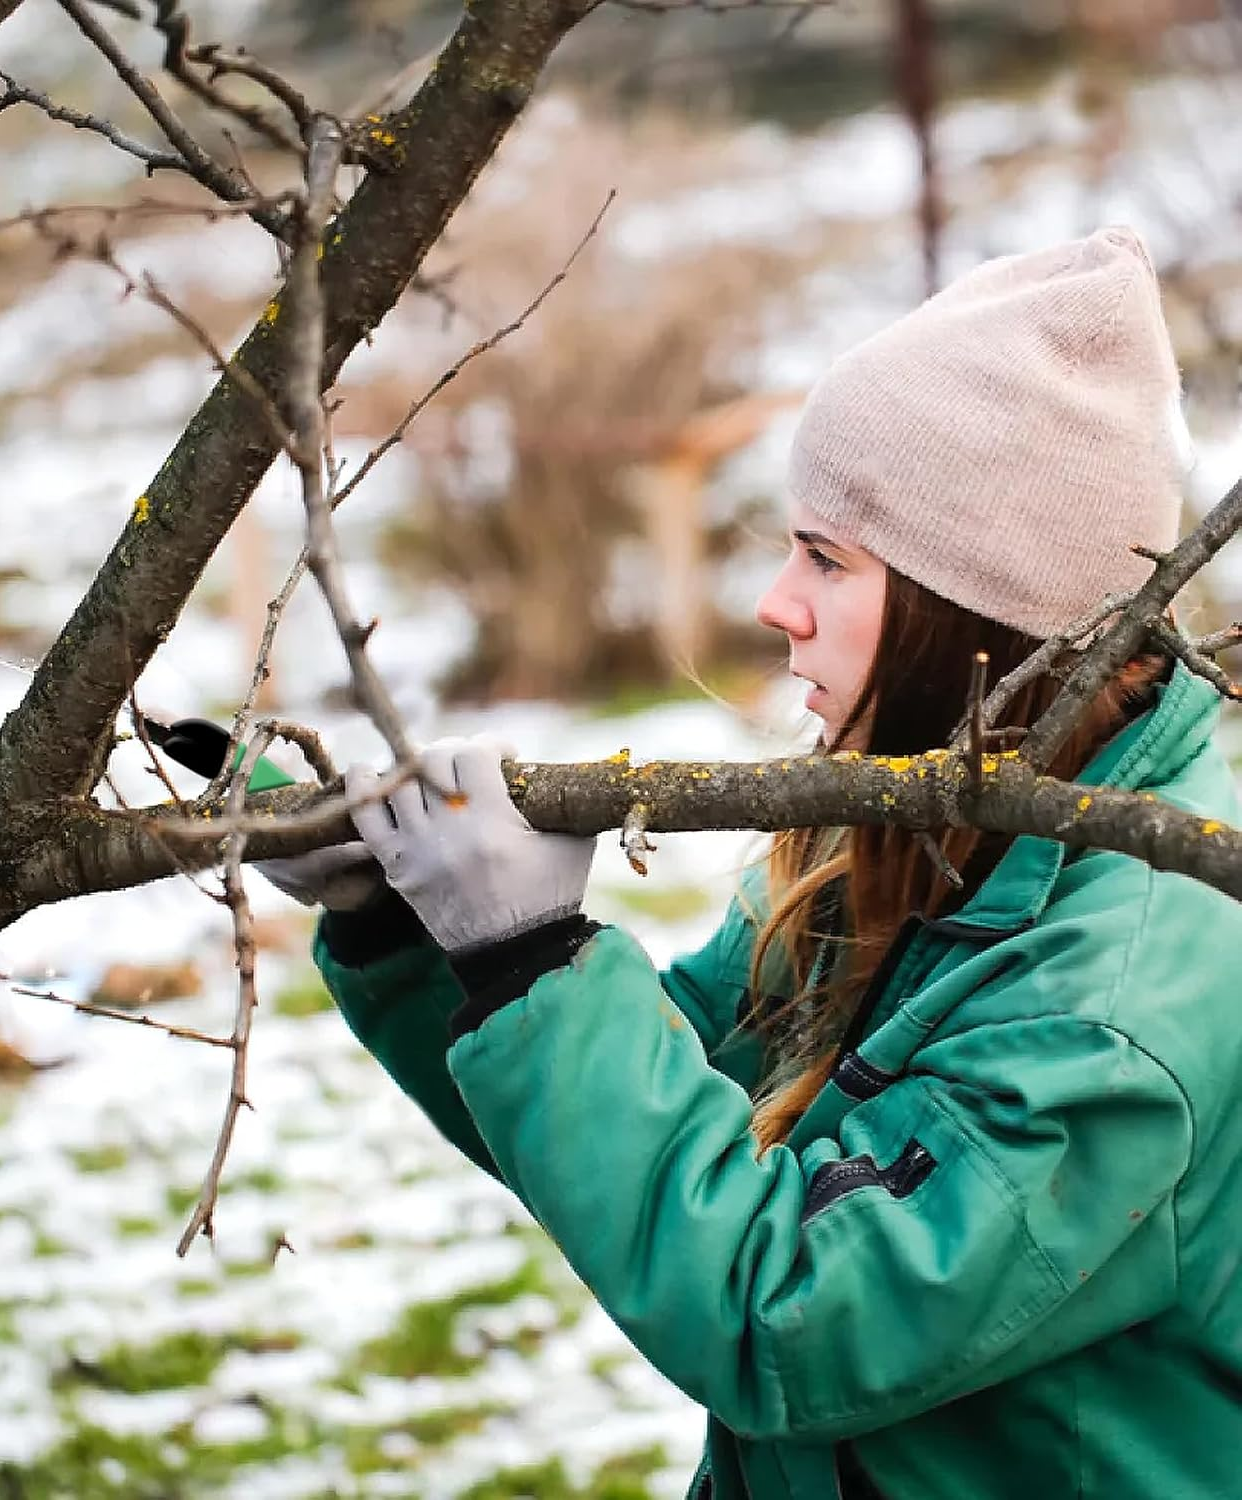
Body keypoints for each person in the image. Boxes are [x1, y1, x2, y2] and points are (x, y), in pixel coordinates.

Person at [247, 227, 1242, 1500]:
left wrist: (535, 959)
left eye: (829, 559)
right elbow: (652, 1132)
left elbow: (793, 1319)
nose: (777, 601)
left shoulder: (1121, 1010)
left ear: (977, 615)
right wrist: (418, 931)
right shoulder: (893, 844)